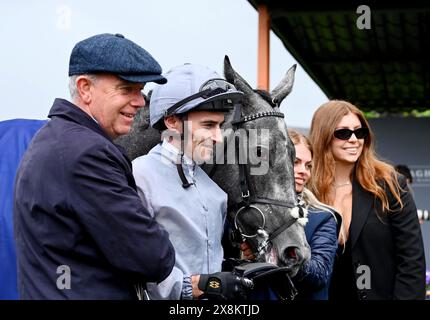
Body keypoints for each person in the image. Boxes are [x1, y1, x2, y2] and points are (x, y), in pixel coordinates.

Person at [13, 33, 175, 299]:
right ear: (85, 88)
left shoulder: (53, 138)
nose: (141, 101)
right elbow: (153, 257)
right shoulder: (88, 153)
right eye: (127, 89)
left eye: (141, 90)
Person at [132, 63, 251, 300]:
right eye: (208, 125)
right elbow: (135, 264)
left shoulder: (216, 193)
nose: (218, 137)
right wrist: (202, 286)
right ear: (172, 121)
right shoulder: (138, 175)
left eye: (219, 125)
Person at [308, 100, 426, 300]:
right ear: (324, 137)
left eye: (359, 132)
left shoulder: (390, 185)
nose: (354, 139)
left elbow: (412, 260)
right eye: (343, 133)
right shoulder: (306, 191)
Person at [241, 129, 341, 300]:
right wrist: (243, 256)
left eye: (308, 165)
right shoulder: (243, 212)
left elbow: (319, 275)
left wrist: (274, 255)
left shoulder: (322, 217)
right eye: (295, 162)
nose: (304, 171)